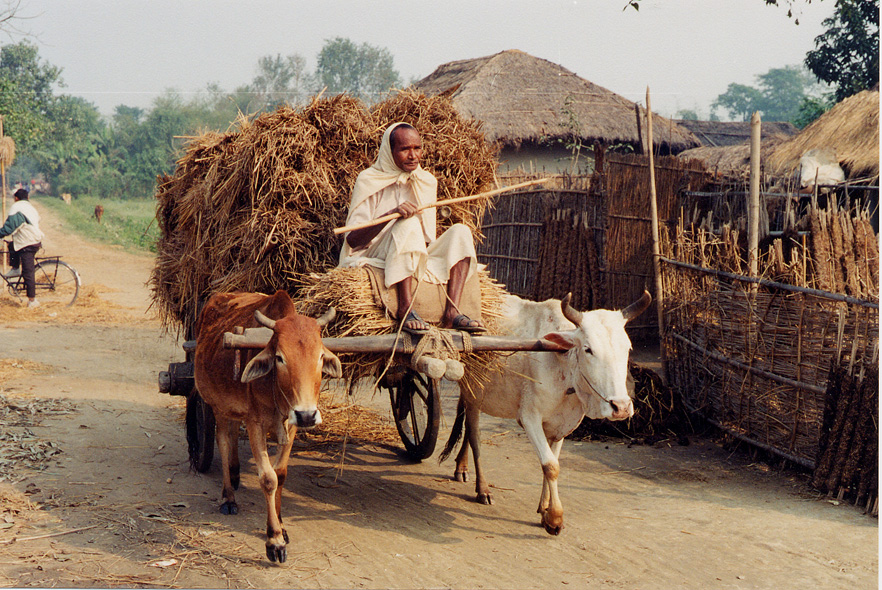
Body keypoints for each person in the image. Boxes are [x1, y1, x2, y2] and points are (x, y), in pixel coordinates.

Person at [339, 122, 485, 334]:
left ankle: (452, 312)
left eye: (417, 148)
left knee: (461, 232)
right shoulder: (369, 179)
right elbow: (353, 240)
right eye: (405, 149)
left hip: (412, 251)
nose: (413, 155)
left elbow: (426, 239)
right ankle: (406, 308)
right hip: (374, 251)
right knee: (407, 222)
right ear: (390, 152)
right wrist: (391, 216)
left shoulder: (425, 181)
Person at [1, 188, 44, 307]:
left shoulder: (17, 207)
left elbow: (9, 227)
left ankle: (32, 300)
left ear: (16, 198)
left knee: (28, 271)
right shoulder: (30, 207)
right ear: (28, 197)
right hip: (31, 239)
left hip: (28, 243)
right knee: (11, 244)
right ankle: (15, 268)